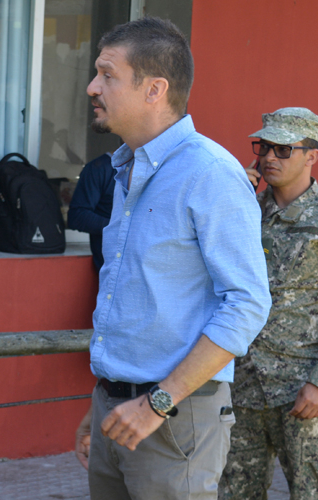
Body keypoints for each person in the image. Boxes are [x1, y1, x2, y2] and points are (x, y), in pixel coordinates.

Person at [72, 17, 271, 500]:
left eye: (107, 74)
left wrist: (156, 403)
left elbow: (247, 305)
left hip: (174, 418)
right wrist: (105, 399)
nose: (91, 87)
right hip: (118, 411)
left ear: (154, 89)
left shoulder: (210, 174)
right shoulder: (126, 168)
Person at [219, 108, 318, 500]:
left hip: (301, 392)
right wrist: (232, 195)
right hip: (242, 385)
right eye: (264, 147)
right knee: (232, 492)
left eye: (284, 149)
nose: (269, 157)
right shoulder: (244, 211)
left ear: (311, 155)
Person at [67, 152, 116, 271]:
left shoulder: (155, 168)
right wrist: (119, 228)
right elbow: (77, 216)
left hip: (149, 268)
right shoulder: (101, 167)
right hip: (112, 267)